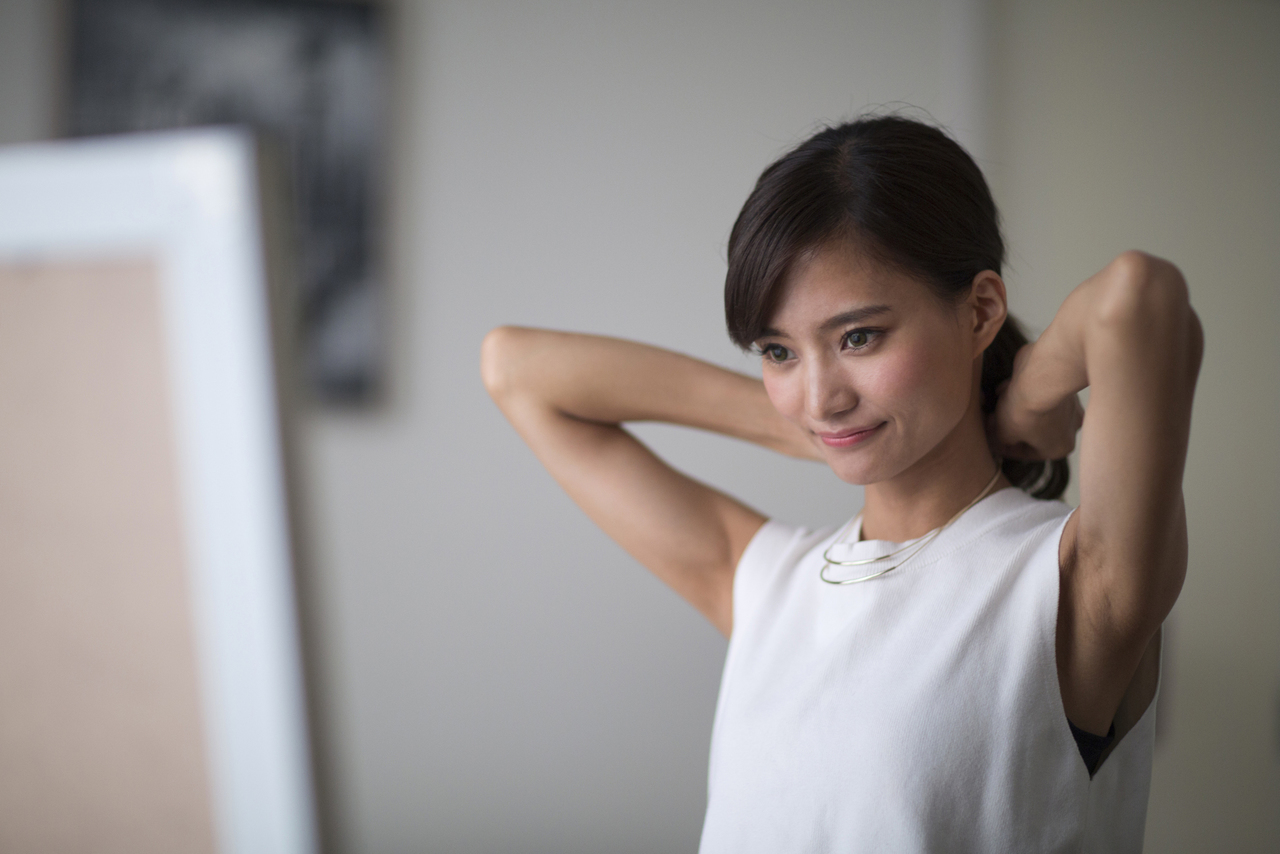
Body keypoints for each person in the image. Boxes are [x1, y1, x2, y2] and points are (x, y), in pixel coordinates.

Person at [480, 114, 1201, 853]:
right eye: (778, 350)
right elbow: (513, 369)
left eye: (859, 337)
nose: (822, 394)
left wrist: (1024, 400)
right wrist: (793, 427)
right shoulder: (767, 580)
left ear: (981, 310)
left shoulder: (1070, 587)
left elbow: (1139, 301)